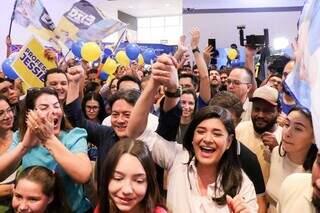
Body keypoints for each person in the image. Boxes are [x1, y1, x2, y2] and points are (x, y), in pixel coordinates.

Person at [127, 54, 258, 212]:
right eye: (201, 131)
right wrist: (155, 81)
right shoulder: (177, 159)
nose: (207, 139)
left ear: (229, 141)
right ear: (192, 136)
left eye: (217, 133)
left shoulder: (242, 185)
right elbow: (135, 132)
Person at [0, 87, 92, 212]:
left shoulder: (74, 135)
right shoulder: (20, 136)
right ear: (30, 114)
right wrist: (24, 146)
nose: (53, 111)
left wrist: (48, 139)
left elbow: (83, 175)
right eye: (44, 108)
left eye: (56, 106)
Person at [210, 91, 267, 213]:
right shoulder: (193, 149)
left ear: (238, 121)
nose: (220, 126)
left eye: (228, 122)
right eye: (216, 118)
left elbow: (260, 201)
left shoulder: (248, 159)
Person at [266, 106, 317, 212]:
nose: (287, 133)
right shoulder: (276, 153)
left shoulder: (314, 176)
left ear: (314, 137)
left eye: (298, 129)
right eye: (286, 124)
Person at [96, 139, 165, 213]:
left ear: (149, 183)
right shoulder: (103, 208)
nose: (127, 190)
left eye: (139, 181)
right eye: (118, 178)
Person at [236, 86, 282, 183]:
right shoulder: (240, 129)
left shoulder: (284, 138)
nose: (260, 115)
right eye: (256, 109)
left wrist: (276, 151)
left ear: (279, 111)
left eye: (267, 111)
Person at [0, 96, 15, 212]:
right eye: (1, 113)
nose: (8, 116)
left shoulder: (24, 138)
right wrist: (10, 189)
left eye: (9, 110)